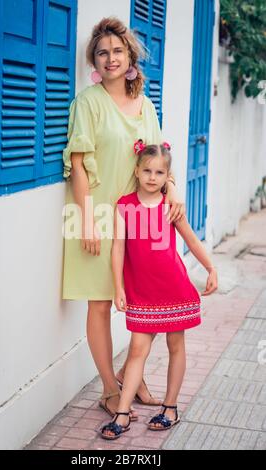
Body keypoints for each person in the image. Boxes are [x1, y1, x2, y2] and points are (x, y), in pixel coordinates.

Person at [62, 16, 186, 420]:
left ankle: (133, 378)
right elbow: (78, 164)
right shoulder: (87, 102)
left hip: (139, 221)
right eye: (102, 53)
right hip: (97, 214)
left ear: (129, 55)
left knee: (142, 306)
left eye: (117, 51)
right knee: (100, 305)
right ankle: (110, 389)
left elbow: (158, 156)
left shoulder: (145, 105)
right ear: (94, 62)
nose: (111, 58)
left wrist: (173, 190)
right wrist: (85, 222)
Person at [100, 140, 218, 439]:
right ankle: (123, 413)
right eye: (148, 171)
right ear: (137, 171)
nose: (153, 177)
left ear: (168, 177)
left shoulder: (170, 205)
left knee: (175, 345)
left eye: (160, 172)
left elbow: (190, 238)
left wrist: (211, 268)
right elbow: (117, 250)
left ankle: (170, 407)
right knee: (137, 349)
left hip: (173, 288)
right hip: (141, 291)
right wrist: (119, 288)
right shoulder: (124, 206)